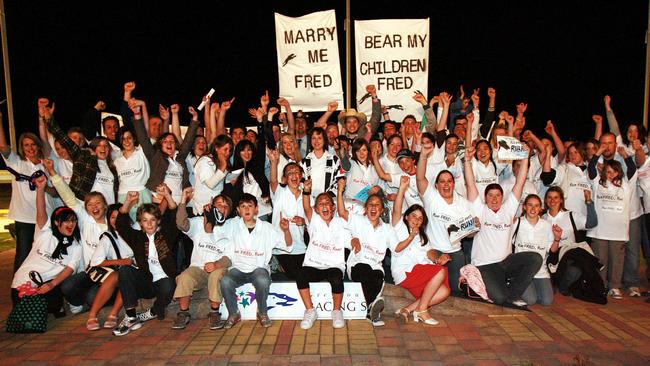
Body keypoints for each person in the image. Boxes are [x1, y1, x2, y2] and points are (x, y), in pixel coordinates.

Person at [464, 142, 543, 306]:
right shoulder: (480, 209)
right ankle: (476, 279)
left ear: (502, 197)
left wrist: (526, 156)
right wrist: (467, 161)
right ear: (485, 198)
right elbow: (471, 184)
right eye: (490, 196)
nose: (494, 199)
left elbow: (519, 183)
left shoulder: (508, 209)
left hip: (505, 263)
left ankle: (512, 294)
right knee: (499, 298)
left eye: (497, 195)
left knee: (535, 258)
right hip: (485, 265)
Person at [112, 186, 180, 336]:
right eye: (145, 220)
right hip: (147, 281)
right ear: (140, 223)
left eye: (152, 220)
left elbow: (175, 217)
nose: (149, 224)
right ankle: (130, 317)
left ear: (158, 221)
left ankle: (153, 311)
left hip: (164, 281)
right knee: (125, 270)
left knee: (169, 285)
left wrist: (168, 196)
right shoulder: (138, 238)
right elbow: (120, 225)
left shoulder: (166, 235)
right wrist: (128, 201)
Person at [11, 176, 82, 318]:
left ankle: (55, 305)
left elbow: (70, 268)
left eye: (73, 221)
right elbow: (41, 211)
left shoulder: (75, 244)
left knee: (51, 307)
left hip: (49, 285)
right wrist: (40, 189)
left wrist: (51, 285)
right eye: (66, 221)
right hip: (24, 281)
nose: (71, 224)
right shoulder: (45, 233)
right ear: (56, 223)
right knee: (26, 313)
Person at [219, 193, 293, 329]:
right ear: (238, 210)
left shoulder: (267, 228)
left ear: (256, 209)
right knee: (225, 281)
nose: (246, 209)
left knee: (262, 280)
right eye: (243, 206)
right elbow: (216, 226)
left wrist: (286, 230)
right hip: (237, 269)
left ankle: (262, 312)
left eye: (250, 206)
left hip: (258, 268)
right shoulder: (232, 225)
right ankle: (233, 313)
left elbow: (287, 245)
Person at [0, 109, 55, 272]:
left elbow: (54, 192)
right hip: (24, 217)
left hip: (45, 216)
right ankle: (18, 292)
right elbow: (3, 145)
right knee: (23, 253)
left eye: (32, 144)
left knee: (46, 253)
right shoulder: (16, 162)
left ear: (38, 146)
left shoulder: (47, 163)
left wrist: (44, 187)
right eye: (26, 145)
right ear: (22, 148)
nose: (30, 148)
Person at [391, 175, 450, 325]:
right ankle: (422, 310)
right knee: (440, 271)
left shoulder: (423, 236)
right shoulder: (399, 226)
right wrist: (402, 189)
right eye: (413, 216)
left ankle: (407, 310)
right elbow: (397, 209)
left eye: (420, 218)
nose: (416, 220)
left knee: (444, 291)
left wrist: (437, 258)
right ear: (406, 217)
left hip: (419, 273)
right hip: (405, 271)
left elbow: (429, 252)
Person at [416, 142, 473, 295]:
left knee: (456, 290)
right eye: (442, 181)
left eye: (449, 181)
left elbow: (470, 235)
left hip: (455, 252)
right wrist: (423, 156)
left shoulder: (463, 203)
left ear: (454, 184)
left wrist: (473, 228)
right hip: (433, 250)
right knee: (428, 287)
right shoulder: (431, 198)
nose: (446, 185)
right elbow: (420, 178)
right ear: (436, 185)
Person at [171, 188, 233, 330]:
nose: (222, 208)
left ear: (229, 211)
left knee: (217, 274)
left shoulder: (231, 227)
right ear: (212, 205)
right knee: (186, 275)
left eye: (225, 206)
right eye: (219, 204)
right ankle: (183, 313)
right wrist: (183, 201)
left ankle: (214, 312)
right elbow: (181, 224)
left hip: (217, 268)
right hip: (198, 268)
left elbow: (230, 257)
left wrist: (216, 264)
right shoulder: (199, 222)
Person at [336, 178, 394, 327]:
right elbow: (342, 212)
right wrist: (340, 190)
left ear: (382, 210)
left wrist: (413, 236)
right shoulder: (357, 220)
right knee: (366, 269)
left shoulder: (387, 229)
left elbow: (397, 247)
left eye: (377, 205)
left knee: (377, 274)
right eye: (370, 205)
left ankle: (371, 312)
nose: (373, 208)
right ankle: (372, 306)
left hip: (376, 267)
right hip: (357, 265)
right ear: (365, 208)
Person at [298, 180, 352, 330]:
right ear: (316, 209)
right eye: (320, 204)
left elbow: (351, 239)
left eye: (327, 203)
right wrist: (307, 191)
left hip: (334, 265)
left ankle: (336, 311)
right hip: (313, 264)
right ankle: (310, 311)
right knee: (301, 276)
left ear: (333, 208)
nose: (324, 206)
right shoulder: (313, 220)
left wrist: (354, 242)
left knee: (336, 278)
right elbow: (305, 206)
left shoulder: (341, 223)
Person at [587, 153, 637, 299]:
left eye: (614, 171)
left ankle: (614, 286)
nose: (610, 174)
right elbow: (591, 167)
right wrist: (597, 153)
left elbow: (633, 169)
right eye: (607, 171)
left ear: (619, 173)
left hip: (618, 232)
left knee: (617, 260)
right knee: (601, 260)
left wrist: (626, 157)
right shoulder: (597, 183)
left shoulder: (626, 185)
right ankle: (601, 285)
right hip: (600, 231)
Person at [85, 204, 135, 331]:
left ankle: (113, 314)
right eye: (113, 217)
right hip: (116, 273)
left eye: (119, 217)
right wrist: (122, 261)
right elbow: (96, 261)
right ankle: (92, 315)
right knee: (118, 276)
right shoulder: (108, 237)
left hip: (135, 273)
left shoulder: (135, 230)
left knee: (127, 276)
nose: (116, 221)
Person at [512, 194, 563, 306]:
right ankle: (515, 284)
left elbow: (552, 250)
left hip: (541, 271)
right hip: (522, 271)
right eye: (530, 205)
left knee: (546, 301)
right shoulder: (517, 223)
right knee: (531, 300)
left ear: (540, 208)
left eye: (536, 206)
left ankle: (532, 286)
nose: (533, 209)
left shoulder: (546, 225)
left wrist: (557, 238)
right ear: (524, 207)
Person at [269, 151, 307, 280]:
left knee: (306, 276)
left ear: (301, 176)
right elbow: (273, 181)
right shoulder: (279, 192)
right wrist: (274, 162)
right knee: (295, 275)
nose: (294, 175)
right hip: (281, 247)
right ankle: (276, 263)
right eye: (290, 173)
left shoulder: (307, 196)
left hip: (301, 247)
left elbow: (313, 220)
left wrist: (304, 221)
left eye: (297, 172)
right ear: (284, 178)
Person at [300, 127, 344, 198]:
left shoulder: (334, 160)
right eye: (313, 138)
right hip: (309, 201)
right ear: (310, 141)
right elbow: (300, 181)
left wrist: (327, 197)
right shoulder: (304, 162)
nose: (316, 141)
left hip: (328, 202)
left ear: (324, 140)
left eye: (319, 138)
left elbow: (340, 181)